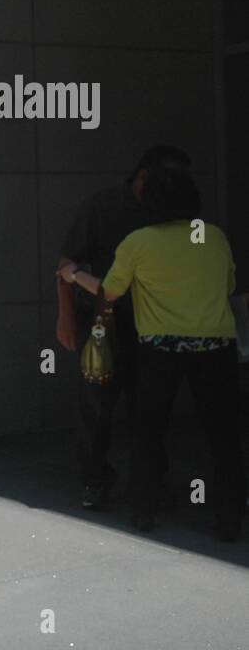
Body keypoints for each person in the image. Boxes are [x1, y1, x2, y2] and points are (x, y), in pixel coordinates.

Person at [61, 167, 242, 541]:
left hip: (160, 350)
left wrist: (73, 274)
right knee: (223, 437)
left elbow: (107, 293)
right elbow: (229, 285)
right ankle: (229, 521)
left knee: (149, 431)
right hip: (215, 346)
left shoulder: (138, 242)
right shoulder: (212, 236)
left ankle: (145, 512)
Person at [55, 145, 191, 509]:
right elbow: (68, 263)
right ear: (144, 176)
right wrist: (65, 316)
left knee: (149, 404)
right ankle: (94, 479)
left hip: (152, 322)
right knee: (96, 404)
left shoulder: (173, 212)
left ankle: (149, 482)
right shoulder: (103, 206)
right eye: (169, 179)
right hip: (103, 320)